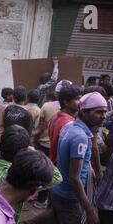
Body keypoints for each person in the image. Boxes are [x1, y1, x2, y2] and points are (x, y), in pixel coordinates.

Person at [24, 92, 107, 224]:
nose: (103, 116)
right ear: (85, 112)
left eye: (104, 112)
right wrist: (90, 210)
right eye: (98, 112)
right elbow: (75, 177)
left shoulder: (71, 126)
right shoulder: (79, 136)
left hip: (58, 190)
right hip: (69, 196)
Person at [32, 80, 72, 209]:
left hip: (44, 144)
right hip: (60, 147)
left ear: (56, 92)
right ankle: (50, 200)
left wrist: (35, 140)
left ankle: (40, 199)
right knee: (56, 173)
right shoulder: (74, 111)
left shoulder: (46, 106)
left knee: (43, 172)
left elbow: (40, 126)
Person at [48, 85, 81, 164]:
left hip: (53, 163)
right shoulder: (69, 124)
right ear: (66, 102)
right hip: (62, 167)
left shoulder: (55, 117)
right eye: (77, 99)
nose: (80, 102)